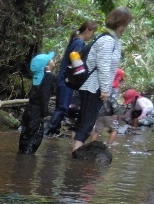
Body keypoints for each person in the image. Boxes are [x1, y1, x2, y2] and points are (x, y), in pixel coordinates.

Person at [72, 8, 133, 156]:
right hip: (94, 87)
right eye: (125, 24)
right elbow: (103, 66)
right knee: (86, 124)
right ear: (120, 24)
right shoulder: (108, 40)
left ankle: (73, 152)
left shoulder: (106, 38)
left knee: (82, 121)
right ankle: (75, 156)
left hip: (90, 86)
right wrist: (105, 90)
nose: (125, 28)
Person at [46, 21, 98, 136]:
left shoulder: (75, 41)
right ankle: (47, 131)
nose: (92, 36)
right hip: (67, 81)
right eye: (93, 32)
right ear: (87, 30)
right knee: (63, 108)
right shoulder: (79, 43)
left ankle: (53, 132)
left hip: (63, 79)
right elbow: (75, 62)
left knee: (60, 107)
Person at [18, 53, 55, 154]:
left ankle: (20, 161)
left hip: (29, 109)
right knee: (34, 139)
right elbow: (44, 96)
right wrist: (44, 113)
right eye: (50, 59)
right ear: (47, 65)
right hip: (37, 111)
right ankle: (27, 164)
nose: (53, 60)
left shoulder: (37, 76)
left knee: (25, 136)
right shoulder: (49, 76)